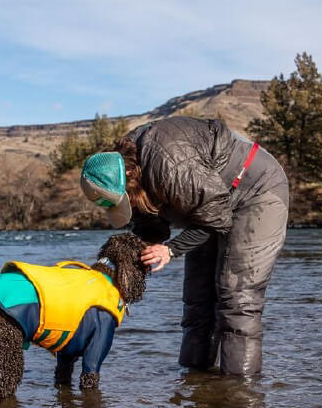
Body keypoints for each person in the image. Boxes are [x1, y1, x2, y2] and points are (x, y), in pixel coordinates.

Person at [80, 116, 289, 377]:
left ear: (130, 179)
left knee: (236, 298)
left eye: (125, 203)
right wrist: (119, 267)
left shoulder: (170, 164)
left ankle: (238, 393)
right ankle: (194, 381)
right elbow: (152, 227)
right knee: (197, 298)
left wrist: (170, 250)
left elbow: (218, 216)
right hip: (205, 204)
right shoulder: (125, 167)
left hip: (255, 191)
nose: (128, 208)